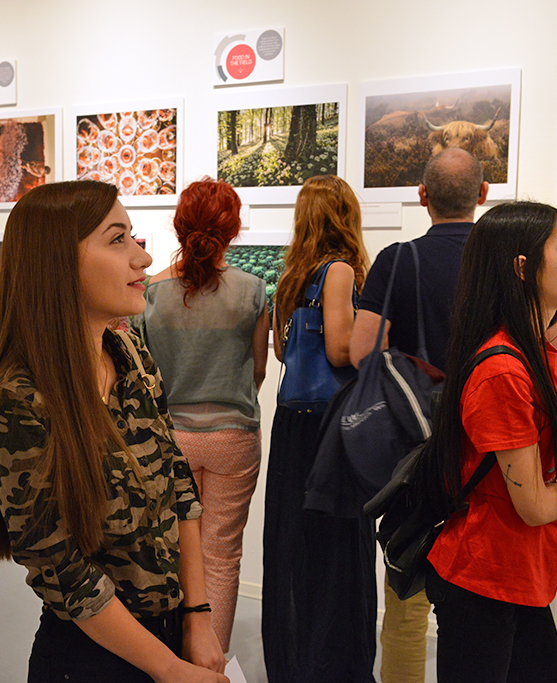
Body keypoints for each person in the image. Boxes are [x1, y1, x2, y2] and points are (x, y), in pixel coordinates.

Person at [0, 180, 228, 683]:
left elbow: (179, 485)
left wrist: (198, 617)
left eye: (133, 237)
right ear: (58, 263)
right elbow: (63, 569)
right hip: (93, 656)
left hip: (171, 631)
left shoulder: (128, 353)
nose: (142, 259)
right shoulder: (21, 398)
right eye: (117, 239)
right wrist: (168, 669)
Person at [420, 201, 557, 682]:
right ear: (522, 267)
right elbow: (535, 504)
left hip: (527, 584)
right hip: (482, 585)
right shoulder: (503, 371)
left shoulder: (544, 355)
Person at [349, 147, 488, 683]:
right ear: (482, 195)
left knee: (407, 603)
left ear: (423, 197)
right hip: (494, 450)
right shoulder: (505, 261)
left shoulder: (397, 259)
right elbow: (553, 350)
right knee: (480, 607)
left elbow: (365, 353)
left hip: (416, 449)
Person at [137, 177, 268, 652]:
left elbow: (144, 374)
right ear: (231, 230)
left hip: (170, 438)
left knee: (172, 552)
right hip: (234, 438)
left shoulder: (151, 293)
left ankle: (171, 658)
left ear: (179, 226)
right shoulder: (252, 291)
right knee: (221, 555)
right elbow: (257, 371)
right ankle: (211, 664)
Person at [263, 175, 374, 683]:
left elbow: (285, 352)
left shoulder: (291, 274)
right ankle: (333, 664)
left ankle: (296, 658)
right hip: (331, 426)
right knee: (338, 552)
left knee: (296, 547)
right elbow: (339, 351)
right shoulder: (340, 272)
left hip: (293, 423)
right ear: (345, 216)